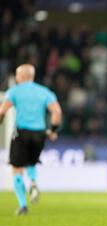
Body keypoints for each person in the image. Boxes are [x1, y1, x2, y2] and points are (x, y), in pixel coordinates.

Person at [0, 64, 62, 215]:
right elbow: (57, 112)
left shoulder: (14, 91)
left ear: (21, 76)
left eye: (17, 74)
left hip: (21, 132)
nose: (16, 77)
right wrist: (52, 131)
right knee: (31, 162)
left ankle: (23, 206)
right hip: (39, 133)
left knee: (16, 168)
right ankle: (33, 182)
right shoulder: (44, 92)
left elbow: (2, 111)